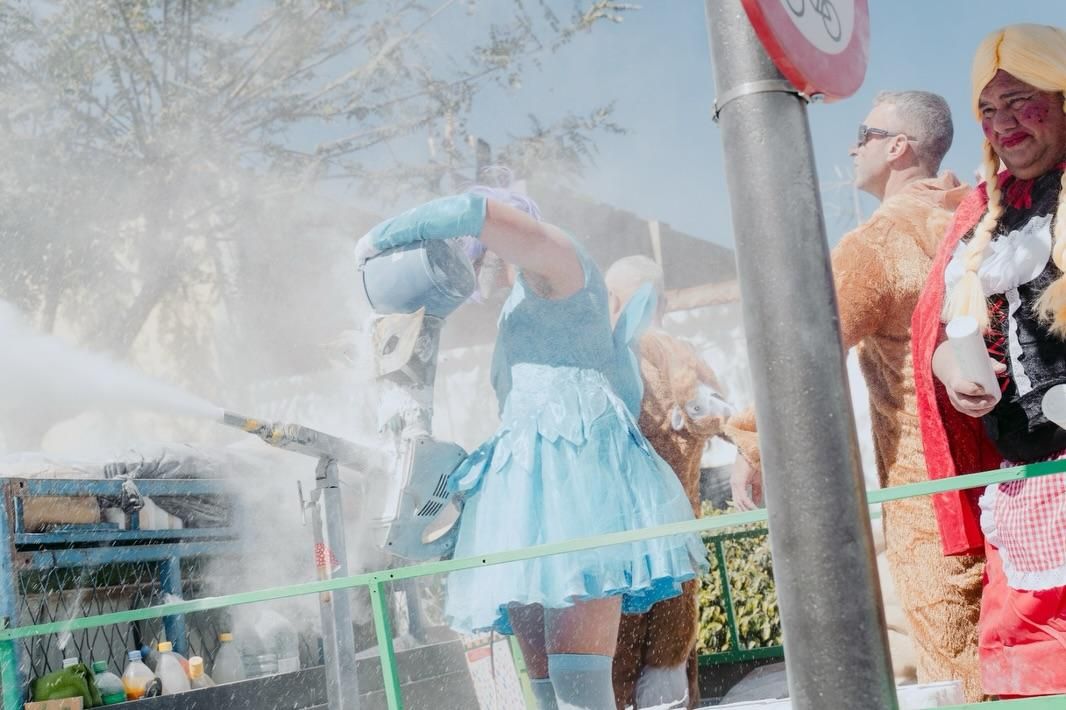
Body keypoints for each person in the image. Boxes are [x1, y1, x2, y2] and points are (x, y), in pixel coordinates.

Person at [355, 187, 708, 710]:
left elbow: (476, 213)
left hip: (574, 482)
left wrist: (378, 239)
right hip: (525, 492)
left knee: (580, 692)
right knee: (546, 691)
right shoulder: (527, 300)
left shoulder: (561, 261)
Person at [727, 91, 985, 699]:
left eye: (864, 134)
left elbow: (804, 351)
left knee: (957, 671)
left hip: (933, 499)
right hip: (1014, 480)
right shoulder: (977, 219)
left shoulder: (879, 242)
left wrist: (751, 438)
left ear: (898, 148)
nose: (851, 146)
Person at [912, 23, 1066, 699]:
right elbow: (940, 333)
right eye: (989, 108)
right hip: (1028, 485)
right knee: (1028, 673)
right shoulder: (980, 212)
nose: (1003, 122)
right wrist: (951, 365)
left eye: (1021, 100)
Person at [605, 255, 734, 709]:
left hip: (627, 540)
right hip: (678, 539)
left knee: (624, 655)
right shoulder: (684, 353)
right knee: (672, 651)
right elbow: (719, 414)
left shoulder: (633, 354)